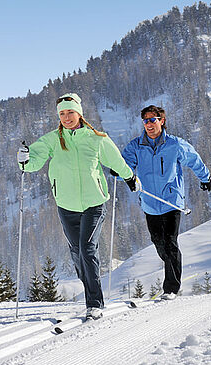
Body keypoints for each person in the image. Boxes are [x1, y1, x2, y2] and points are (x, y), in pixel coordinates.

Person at [17, 93, 138, 320]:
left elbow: (116, 162)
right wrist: (23, 159)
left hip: (94, 203)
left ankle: (94, 303)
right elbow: (32, 164)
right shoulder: (53, 139)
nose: (66, 117)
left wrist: (130, 178)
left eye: (70, 112)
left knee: (87, 248)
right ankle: (90, 286)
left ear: (79, 113)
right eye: (62, 113)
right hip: (66, 205)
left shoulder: (96, 138)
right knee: (76, 252)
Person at [120, 105, 211, 300]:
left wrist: (205, 178)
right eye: (145, 121)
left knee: (170, 242)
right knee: (158, 242)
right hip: (150, 203)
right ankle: (174, 267)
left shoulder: (175, 145)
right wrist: (118, 173)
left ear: (162, 121)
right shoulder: (136, 146)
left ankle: (171, 288)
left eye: (153, 120)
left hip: (172, 201)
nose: (149, 124)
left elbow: (194, 160)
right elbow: (124, 166)